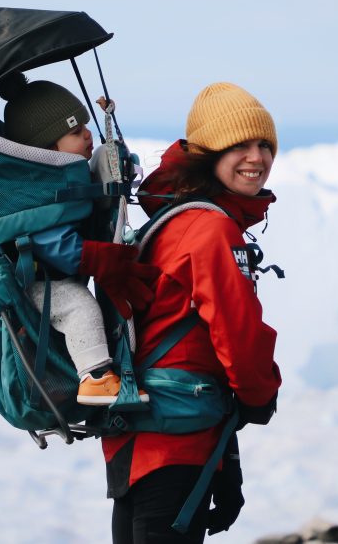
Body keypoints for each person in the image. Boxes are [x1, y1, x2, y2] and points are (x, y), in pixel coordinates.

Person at [104, 82, 282, 543]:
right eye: (238, 144)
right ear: (209, 154)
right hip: (176, 437)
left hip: (143, 436)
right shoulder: (211, 230)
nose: (256, 157)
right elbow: (238, 334)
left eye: (264, 144)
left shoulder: (174, 220)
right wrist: (261, 396)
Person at [0, 72, 151, 405]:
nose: (87, 135)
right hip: (35, 286)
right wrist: (98, 258)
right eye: (76, 131)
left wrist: (110, 129)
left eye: (86, 126)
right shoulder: (38, 195)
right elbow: (57, 246)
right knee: (80, 307)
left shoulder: (65, 180)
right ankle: (94, 378)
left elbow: (105, 166)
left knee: (79, 302)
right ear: (48, 149)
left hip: (55, 280)